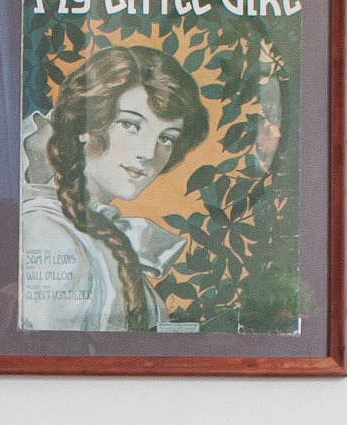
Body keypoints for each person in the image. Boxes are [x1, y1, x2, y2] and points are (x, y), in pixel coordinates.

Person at [19, 48, 210, 333]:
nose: (148, 152)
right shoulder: (47, 232)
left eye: (166, 139)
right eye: (130, 125)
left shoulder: (101, 233)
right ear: (85, 123)